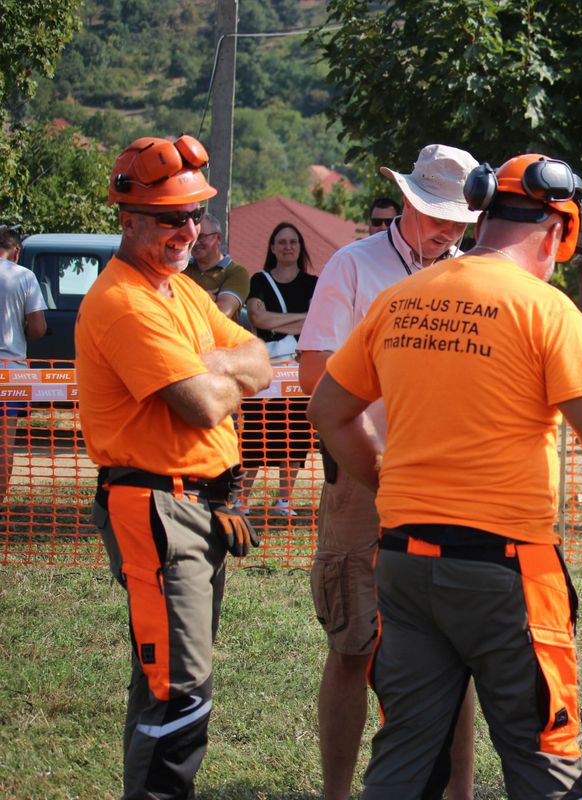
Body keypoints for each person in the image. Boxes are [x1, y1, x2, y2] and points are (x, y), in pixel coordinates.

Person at [307, 153, 582, 800]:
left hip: (403, 561)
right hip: (506, 568)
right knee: (544, 763)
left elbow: (327, 411)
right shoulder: (546, 310)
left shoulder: (400, 300)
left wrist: (383, 478)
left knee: (405, 760)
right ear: (561, 230)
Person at [77, 134, 272, 799]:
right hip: (158, 507)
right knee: (180, 690)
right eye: (170, 218)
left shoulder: (176, 292)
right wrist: (213, 367)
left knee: (162, 682)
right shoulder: (125, 300)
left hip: (198, 508)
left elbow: (262, 363)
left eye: (194, 214)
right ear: (127, 219)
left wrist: (210, 361)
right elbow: (198, 404)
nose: (187, 229)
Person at [297, 144, 481, 800]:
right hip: (363, 480)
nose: (449, 229)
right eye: (438, 214)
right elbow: (313, 373)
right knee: (352, 645)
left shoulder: (475, 276)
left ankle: (459, 793)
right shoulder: (353, 266)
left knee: (454, 654)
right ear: (406, 201)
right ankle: (337, 795)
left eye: (460, 218)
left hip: (448, 487)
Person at [241, 222, 319, 516]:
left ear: (300, 248)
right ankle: (242, 499)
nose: (288, 247)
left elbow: (317, 321)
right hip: (266, 369)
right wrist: (299, 320)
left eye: (293, 242)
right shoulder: (258, 279)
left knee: (295, 432)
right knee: (256, 433)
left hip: (298, 370)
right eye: (282, 242)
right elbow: (258, 319)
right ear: (272, 248)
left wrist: (279, 320)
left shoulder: (313, 283)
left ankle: (284, 500)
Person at [0, 225, 47, 502]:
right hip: (11, 372)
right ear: (16, 252)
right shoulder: (25, 277)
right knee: (4, 445)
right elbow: (38, 329)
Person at [183, 213, 250, 320]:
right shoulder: (181, 269)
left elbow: (222, 314)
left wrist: (183, 297)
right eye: (192, 238)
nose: (195, 243)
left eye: (201, 237)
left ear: (218, 238)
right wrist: (205, 297)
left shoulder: (236, 273)